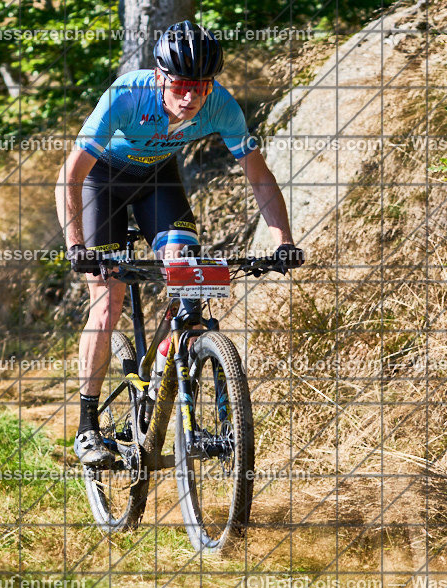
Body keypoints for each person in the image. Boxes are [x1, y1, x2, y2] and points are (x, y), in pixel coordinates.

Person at [56, 20, 305, 467]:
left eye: (201, 86)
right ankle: (88, 426)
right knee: (108, 300)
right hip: (102, 183)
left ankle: (168, 381)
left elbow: (259, 175)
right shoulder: (126, 96)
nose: (191, 97)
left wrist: (282, 240)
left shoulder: (221, 106)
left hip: (157, 182)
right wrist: (76, 244)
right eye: (182, 85)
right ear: (161, 76)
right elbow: (71, 173)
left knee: (189, 275)